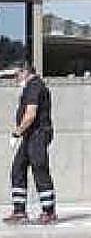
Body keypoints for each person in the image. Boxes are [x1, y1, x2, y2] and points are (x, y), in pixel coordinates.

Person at [4, 62, 55, 224]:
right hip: (30, 135)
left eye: (16, 75)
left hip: (38, 134)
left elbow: (31, 114)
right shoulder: (29, 87)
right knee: (17, 168)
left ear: (25, 71)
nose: (15, 79)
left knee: (39, 168)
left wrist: (16, 132)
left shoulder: (34, 86)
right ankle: (19, 211)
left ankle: (49, 211)